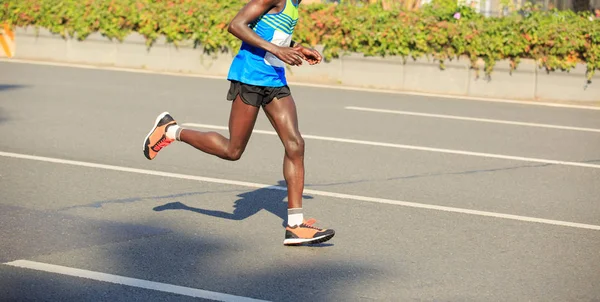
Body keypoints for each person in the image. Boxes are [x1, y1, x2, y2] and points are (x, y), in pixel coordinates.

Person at [142, 0, 335, 246]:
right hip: (250, 78)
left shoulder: (294, 3)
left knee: (295, 144)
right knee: (232, 151)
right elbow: (236, 25)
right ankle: (170, 131)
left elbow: (269, 31)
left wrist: (297, 47)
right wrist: (278, 51)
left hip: (275, 80)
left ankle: (296, 226)